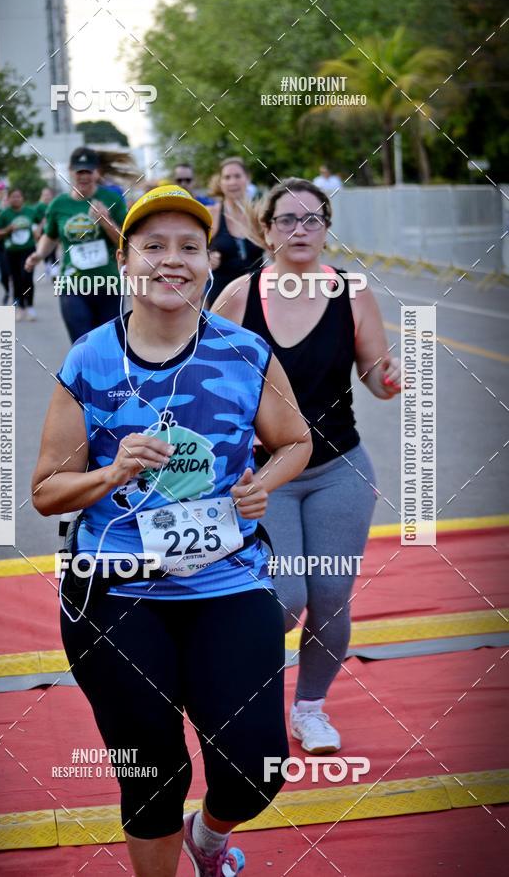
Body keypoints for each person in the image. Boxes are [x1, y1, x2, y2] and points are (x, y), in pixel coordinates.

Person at [31, 185, 312, 876]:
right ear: (126, 262)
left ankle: (209, 840)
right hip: (115, 593)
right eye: (153, 246)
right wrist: (111, 472)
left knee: (256, 767)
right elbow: (45, 492)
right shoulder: (90, 361)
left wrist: (260, 485)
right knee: (151, 775)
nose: (171, 261)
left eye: (188, 247)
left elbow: (296, 440)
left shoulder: (245, 353)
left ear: (209, 261)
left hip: (228, 582)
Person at [212, 177, 401, 754]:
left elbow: (373, 373)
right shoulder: (239, 296)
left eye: (312, 220)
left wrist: (388, 378)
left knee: (331, 594)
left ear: (326, 230)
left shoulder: (351, 291)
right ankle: (244, 692)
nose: (300, 230)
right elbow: (203, 372)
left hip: (339, 469)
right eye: (287, 220)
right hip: (266, 476)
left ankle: (310, 708)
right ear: (265, 230)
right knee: (286, 596)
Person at [25, 147, 127, 342]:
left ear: (97, 172)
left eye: (88, 171)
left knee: (109, 345)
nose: (84, 176)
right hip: (72, 284)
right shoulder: (58, 204)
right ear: (71, 172)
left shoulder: (112, 200)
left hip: (108, 284)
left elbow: (127, 243)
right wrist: (38, 254)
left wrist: (106, 222)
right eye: (79, 171)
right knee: (81, 343)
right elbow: (51, 236)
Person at [207, 157, 264, 306]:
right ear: (220, 182)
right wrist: (207, 257)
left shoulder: (259, 214)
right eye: (227, 177)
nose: (232, 182)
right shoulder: (211, 214)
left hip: (257, 296)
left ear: (247, 178)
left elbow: (276, 250)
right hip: (222, 299)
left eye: (237, 176)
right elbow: (192, 250)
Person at [0, 187, 39, 320]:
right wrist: (8, 229)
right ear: (8, 199)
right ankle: (20, 307)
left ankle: (30, 306)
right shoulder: (5, 214)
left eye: (18, 196)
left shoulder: (30, 211)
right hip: (11, 252)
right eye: (13, 197)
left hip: (28, 250)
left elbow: (42, 221)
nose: (16, 199)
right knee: (16, 279)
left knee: (27, 278)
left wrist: (38, 231)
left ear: (22, 198)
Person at [33, 186, 58, 280]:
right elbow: (34, 221)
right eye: (44, 195)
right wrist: (36, 232)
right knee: (45, 253)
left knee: (53, 253)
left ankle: (54, 272)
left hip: (53, 233)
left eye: (48, 194)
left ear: (51, 195)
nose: (46, 196)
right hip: (42, 234)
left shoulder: (54, 204)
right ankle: (48, 267)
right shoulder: (39, 207)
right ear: (42, 196)